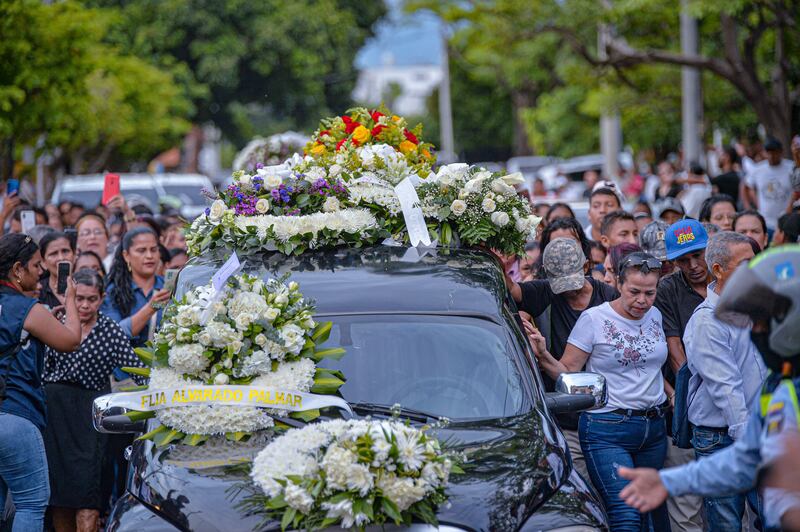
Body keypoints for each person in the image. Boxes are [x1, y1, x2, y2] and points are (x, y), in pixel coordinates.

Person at [618, 245, 800, 531]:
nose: (755, 333)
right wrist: (667, 481)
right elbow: (744, 458)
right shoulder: (779, 392)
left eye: (763, 325)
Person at [528, 252, 670, 531]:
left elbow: (652, 367)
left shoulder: (655, 315)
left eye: (650, 293)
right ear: (618, 283)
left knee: (650, 511)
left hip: (653, 428)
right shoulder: (594, 319)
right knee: (625, 510)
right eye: (634, 292)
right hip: (608, 427)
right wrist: (544, 355)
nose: (642, 300)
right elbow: (568, 372)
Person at [42, 269, 144, 532]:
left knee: (89, 491)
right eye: (79, 299)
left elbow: (135, 369)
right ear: (69, 298)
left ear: (102, 298)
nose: (84, 305)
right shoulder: (55, 322)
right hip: (55, 415)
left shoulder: (110, 330)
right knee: (60, 496)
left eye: (91, 299)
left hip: (90, 417)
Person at [507, 238, 617, 480]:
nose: (569, 290)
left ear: (586, 267)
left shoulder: (609, 296)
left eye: (573, 282)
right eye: (561, 284)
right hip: (565, 416)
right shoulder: (545, 292)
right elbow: (513, 291)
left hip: (607, 413)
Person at [682, 231, 766, 530]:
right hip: (720, 438)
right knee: (726, 523)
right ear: (718, 269)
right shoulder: (707, 320)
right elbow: (724, 385)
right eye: (746, 263)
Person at [0, 233, 82, 531]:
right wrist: (70, 300)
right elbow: (71, 340)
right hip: (15, 416)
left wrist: (46, 318)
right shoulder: (26, 309)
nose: (42, 271)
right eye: (36, 265)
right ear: (17, 270)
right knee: (31, 504)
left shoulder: (29, 311)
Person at [655, 219, 712, 532]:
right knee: (686, 505)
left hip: (734, 407)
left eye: (698, 255)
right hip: (687, 406)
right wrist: (695, 396)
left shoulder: (727, 277)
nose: (692, 265)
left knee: (731, 501)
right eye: (683, 260)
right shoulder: (668, 289)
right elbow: (675, 352)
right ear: (674, 263)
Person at [100, 227, 170, 348]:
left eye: (154, 250)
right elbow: (113, 334)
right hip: (126, 364)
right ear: (126, 255)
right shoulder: (113, 292)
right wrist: (150, 308)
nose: (149, 256)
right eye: (141, 250)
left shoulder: (169, 288)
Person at [744, 138, 793, 230]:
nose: (771, 156)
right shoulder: (758, 169)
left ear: (781, 152)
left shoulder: (791, 168)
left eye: (774, 152)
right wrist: (749, 205)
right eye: (768, 152)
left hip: (787, 220)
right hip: (766, 221)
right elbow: (746, 186)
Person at [37, 231, 76, 310]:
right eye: (54, 253)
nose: (61, 258)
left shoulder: (86, 286)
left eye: (65, 251)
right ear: (43, 262)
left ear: (74, 255)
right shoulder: (37, 291)